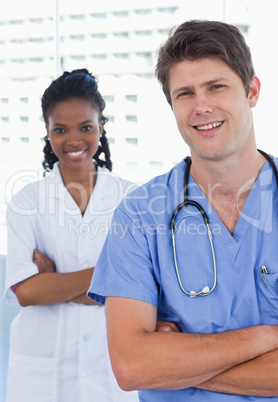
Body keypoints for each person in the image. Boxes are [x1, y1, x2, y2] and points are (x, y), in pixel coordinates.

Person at [87, 20, 278, 401]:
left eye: (216, 86)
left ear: (252, 90)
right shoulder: (139, 215)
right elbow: (132, 366)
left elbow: (150, 367)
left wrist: (177, 366)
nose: (201, 106)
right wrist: (266, 337)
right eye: (185, 93)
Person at [4, 69, 139, 402]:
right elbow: (26, 291)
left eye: (86, 127)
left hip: (110, 369)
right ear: (47, 132)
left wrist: (54, 283)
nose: (74, 140)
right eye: (60, 129)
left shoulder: (132, 199)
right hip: (40, 374)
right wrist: (108, 278)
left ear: (101, 127)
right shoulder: (26, 202)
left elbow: (140, 292)